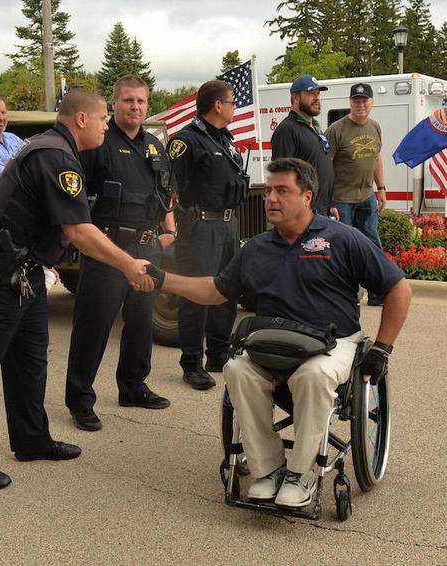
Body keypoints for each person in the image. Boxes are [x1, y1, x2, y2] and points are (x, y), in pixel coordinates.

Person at [144, 158, 411, 509]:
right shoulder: (256, 248)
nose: (271, 198)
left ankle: (302, 474)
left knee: (313, 376)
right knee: (236, 369)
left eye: (282, 191)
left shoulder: (343, 239)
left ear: (307, 197)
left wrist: (382, 349)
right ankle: (268, 469)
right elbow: (215, 290)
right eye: (269, 190)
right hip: (273, 341)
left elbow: (399, 289)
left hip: (333, 342)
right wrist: (163, 278)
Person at [0, 89, 155, 490]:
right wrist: (128, 263)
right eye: (100, 119)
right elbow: (78, 230)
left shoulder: (56, 149)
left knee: (30, 361)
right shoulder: (56, 156)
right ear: (80, 119)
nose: (105, 126)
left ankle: (30, 439)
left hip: (24, 272)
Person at [64, 76, 175, 431]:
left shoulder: (154, 146)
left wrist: (169, 230)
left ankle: (132, 386)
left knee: (142, 321)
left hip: (147, 247)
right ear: (114, 105)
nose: (136, 107)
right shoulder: (97, 142)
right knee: (93, 326)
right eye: (128, 101)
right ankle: (80, 399)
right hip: (109, 248)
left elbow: (167, 192)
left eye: (141, 101)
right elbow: (76, 197)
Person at [167, 80, 249, 390]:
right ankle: (191, 364)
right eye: (231, 103)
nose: (234, 108)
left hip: (228, 225)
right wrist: (172, 228)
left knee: (226, 290)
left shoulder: (225, 139)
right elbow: (171, 191)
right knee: (196, 294)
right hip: (200, 227)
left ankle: (217, 353)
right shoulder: (187, 142)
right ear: (217, 105)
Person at [325, 82, 387, 305]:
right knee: (345, 249)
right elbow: (325, 166)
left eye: (364, 100)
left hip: (367, 197)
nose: (360, 104)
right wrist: (329, 199)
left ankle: (377, 293)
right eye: (356, 100)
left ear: (371, 102)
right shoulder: (336, 130)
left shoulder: (375, 127)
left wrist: (381, 188)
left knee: (371, 246)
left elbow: (377, 157)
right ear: (350, 102)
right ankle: (349, 295)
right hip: (342, 200)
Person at [270, 75, 336, 219]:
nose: (317, 98)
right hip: (301, 215)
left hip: (320, 210)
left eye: (318, 94)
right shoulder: (287, 129)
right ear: (295, 98)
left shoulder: (315, 128)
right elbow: (282, 176)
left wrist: (330, 204)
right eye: (311, 93)